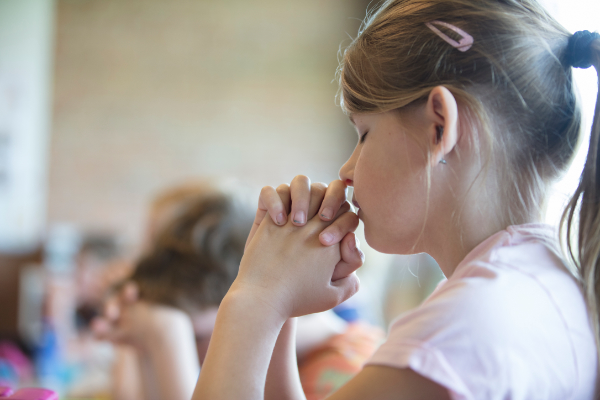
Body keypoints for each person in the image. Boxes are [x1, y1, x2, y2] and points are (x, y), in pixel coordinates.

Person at [191, 1, 600, 399]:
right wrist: (277, 306)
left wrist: (253, 299)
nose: (346, 170)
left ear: (439, 126)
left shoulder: (460, 332)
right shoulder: (543, 280)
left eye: (364, 133)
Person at [92, 181, 383, 400]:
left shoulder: (341, 372)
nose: (196, 350)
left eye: (194, 336)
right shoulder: (281, 338)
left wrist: (167, 339)